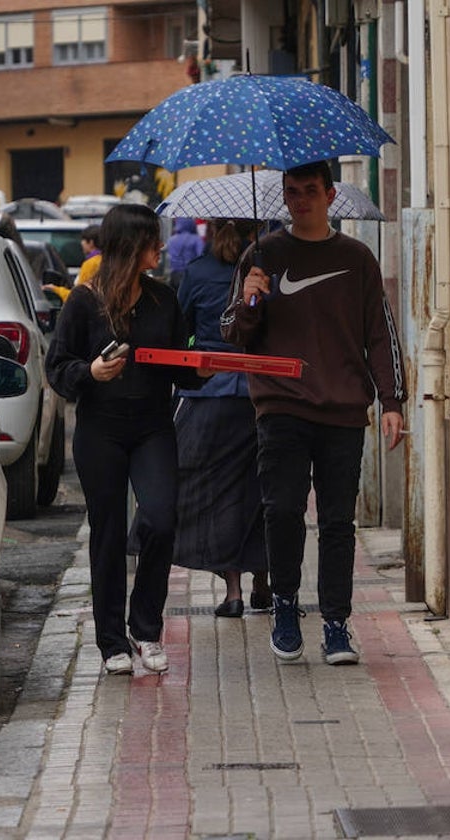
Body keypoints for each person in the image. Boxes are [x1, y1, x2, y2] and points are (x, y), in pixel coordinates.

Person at [220, 159, 406, 666]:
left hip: (343, 409)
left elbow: (380, 334)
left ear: (329, 194)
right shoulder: (262, 255)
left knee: (338, 522)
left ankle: (336, 624)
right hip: (280, 406)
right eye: (291, 191)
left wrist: (392, 401)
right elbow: (233, 334)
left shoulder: (357, 259)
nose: (299, 199)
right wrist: (249, 299)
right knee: (281, 511)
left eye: (309, 190)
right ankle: (284, 605)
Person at [46, 203, 208, 675]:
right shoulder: (83, 301)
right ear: (128, 246)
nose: (160, 247)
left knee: (159, 519)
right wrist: (90, 372)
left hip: (154, 427)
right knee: (109, 533)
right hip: (100, 431)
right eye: (151, 240)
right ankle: (112, 641)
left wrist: (201, 366)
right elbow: (57, 367)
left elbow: (183, 363)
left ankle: (146, 628)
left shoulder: (164, 299)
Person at [172, 219, 270, 617]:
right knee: (263, 488)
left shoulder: (195, 273)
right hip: (260, 395)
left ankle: (233, 592)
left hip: (207, 398)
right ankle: (264, 583)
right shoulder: (266, 271)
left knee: (217, 496)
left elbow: (183, 333)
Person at [166, 217, 205, 289]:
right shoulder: (196, 239)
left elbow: (169, 256)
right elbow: (201, 256)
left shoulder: (171, 240)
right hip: (190, 274)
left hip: (174, 274)